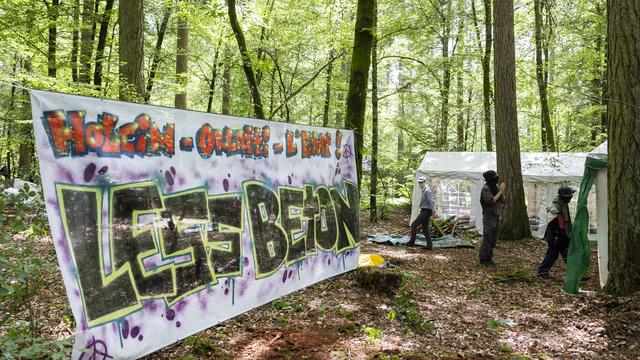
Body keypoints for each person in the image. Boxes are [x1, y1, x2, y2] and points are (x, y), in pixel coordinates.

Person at [537, 186, 576, 278]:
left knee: (567, 253)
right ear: (563, 195)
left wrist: (568, 234)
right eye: (569, 195)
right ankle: (542, 271)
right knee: (553, 253)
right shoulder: (555, 205)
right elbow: (560, 222)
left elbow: (566, 222)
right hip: (555, 233)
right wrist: (563, 235)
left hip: (562, 233)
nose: (571, 196)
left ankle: (575, 272)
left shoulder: (563, 203)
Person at [479, 170, 505, 266]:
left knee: (493, 240)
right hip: (489, 218)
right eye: (495, 178)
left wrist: (501, 192)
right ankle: (483, 260)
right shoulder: (485, 188)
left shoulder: (494, 188)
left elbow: (502, 202)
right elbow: (491, 200)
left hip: (496, 217)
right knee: (487, 239)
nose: (496, 180)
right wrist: (501, 191)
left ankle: (489, 259)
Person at [408, 176, 435, 249]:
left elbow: (432, 202)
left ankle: (411, 243)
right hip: (424, 210)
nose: (420, 184)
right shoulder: (424, 190)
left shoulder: (427, 191)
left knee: (413, 225)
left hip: (426, 211)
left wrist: (433, 212)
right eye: (419, 182)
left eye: (421, 182)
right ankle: (429, 246)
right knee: (425, 228)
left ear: (425, 182)